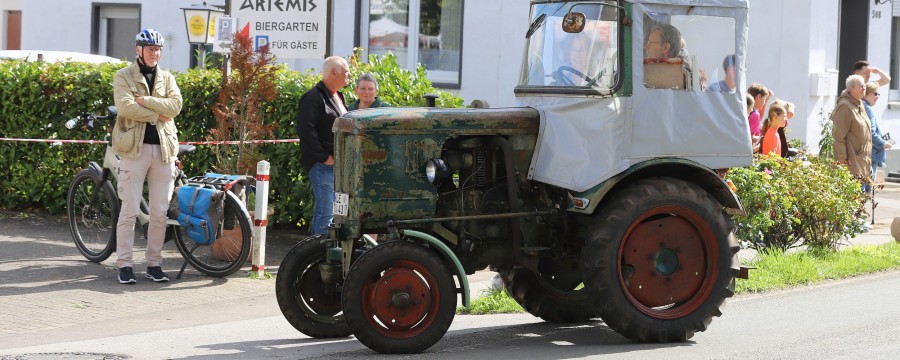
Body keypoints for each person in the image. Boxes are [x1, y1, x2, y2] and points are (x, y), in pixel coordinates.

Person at [112, 29, 183, 284]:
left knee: (159, 213)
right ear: (138, 50)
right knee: (129, 211)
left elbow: (175, 107)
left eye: (158, 49)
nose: (155, 53)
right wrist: (156, 114)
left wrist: (146, 101)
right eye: (150, 48)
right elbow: (125, 107)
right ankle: (125, 265)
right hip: (134, 150)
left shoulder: (168, 78)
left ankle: (154, 264)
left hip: (164, 151)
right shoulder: (123, 76)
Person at [296, 56, 350, 236]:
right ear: (334, 72)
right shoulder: (313, 97)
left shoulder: (338, 95)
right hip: (324, 165)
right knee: (325, 212)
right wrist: (324, 157)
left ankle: (331, 252)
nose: (349, 74)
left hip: (338, 165)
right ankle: (318, 254)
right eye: (346, 71)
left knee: (338, 212)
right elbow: (306, 131)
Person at [832, 74, 873, 184]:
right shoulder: (845, 106)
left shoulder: (859, 104)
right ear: (851, 88)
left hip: (863, 162)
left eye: (864, 85)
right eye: (860, 86)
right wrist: (841, 161)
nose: (864, 88)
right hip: (851, 164)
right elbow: (837, 136)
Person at [863, 81, 892, 187]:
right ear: (867, 93)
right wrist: (883, 143)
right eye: (875, 93)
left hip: (864, 151)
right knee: (867, 186)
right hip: (871, 153)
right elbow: (871, 132)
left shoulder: (861, 105)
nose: (877, 97)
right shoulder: (867, 109)